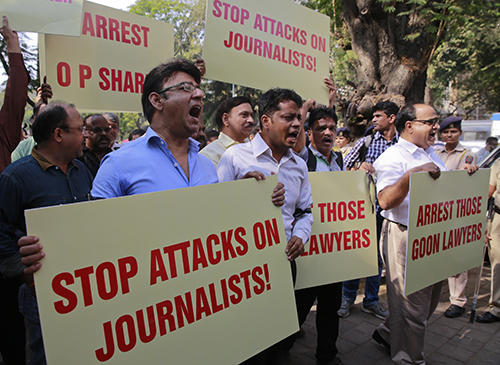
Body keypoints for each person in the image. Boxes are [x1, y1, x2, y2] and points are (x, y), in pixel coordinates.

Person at [372, 103, 477, 364]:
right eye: (430, 122)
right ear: (409, 126)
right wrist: (409, 178)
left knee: (427, 303)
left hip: (433, 237)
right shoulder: (392, 158)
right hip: (405, 236)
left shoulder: (432, 153)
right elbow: (384, 201)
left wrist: (464, 177)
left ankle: (387, 334)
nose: (436, 127)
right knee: (412, 308)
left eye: (436, 121)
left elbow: (446, 188)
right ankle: (408, 358)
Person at [218, 88, 313, 364]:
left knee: (276, 338)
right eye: (288, 117)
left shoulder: (299, 166)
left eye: (298, 118)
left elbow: (305, 210)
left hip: (283, 263)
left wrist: (300, 235)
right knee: (244, 339)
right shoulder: (235, 158)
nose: (296, 124)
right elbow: (215, 213)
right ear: (266, 121)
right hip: (242, 267)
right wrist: (243, 194)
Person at [0, 103, 93, 365]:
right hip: (43, 295)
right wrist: (22, 268)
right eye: (80, 129)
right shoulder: (15, 178)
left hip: (86, 287)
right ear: (58, 134)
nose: (84, 135)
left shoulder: (82, 170)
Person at [287, 106, 343, 365]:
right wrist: (304, 109)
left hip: (333, 251)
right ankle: (282, 352)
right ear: (309, 133)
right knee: (298, 308)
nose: (328, 133)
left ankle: (327, 356)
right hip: (307, 250)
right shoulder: (302, 158)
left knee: (330, 307)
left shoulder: (339, 160)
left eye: (332, 128)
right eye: (321, 128)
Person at [338, 100, 400, 319]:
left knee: (378, 257)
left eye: (378, 116)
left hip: (390, 211)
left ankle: (371, 300)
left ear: (392, 118)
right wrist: (358, 167)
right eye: (373, 116)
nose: (373, 119)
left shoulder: (403, 146)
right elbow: (343, 168)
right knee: (357, 252)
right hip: (363, 209)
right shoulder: (365, 142)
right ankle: (347, 297)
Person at [0, 15, 32, 365]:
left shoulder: (3, 133)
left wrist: (12, 44)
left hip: (3, 255)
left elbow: (16, 92)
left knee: (10, 331)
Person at [434, 116, 477, 318]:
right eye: (445, 132)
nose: (449, 135)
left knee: (456, 258)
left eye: (453, 132)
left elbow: (461, 180)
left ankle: (457, 301)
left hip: (456, 211)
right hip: (435, 211)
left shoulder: (468, 155)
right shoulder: (434, 152)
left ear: (460, 133)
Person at [200, 96, 255, 167]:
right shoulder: (208, 155)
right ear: (225, 119)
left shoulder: (254, 148)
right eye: (244, 115)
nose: (251, 120)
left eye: (252, 115)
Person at [477, 159, 500, 323]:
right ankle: (497, 308)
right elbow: (488, 192)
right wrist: (484, 222)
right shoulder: (499, 163)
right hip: (498, 217)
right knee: (498, 263)